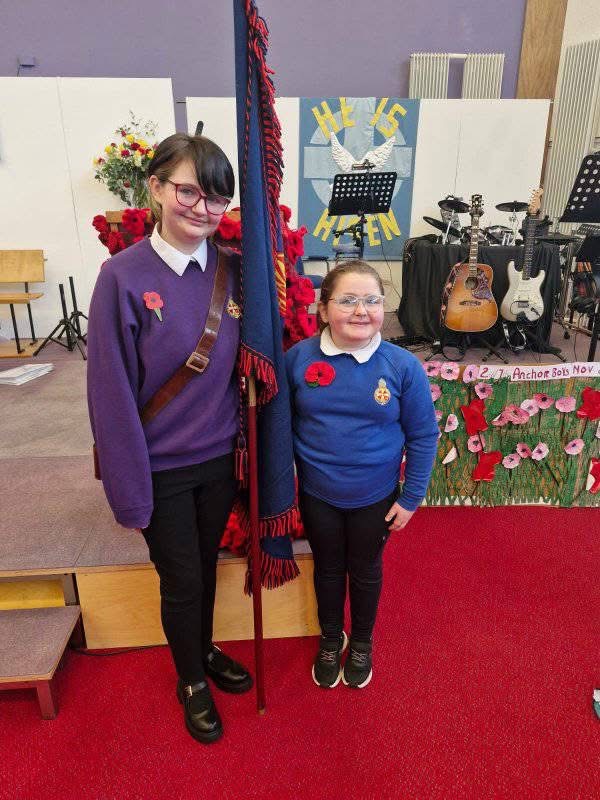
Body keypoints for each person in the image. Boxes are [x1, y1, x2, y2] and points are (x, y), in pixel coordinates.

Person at [87, 133, 252, 744]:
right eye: (188, 190)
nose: (202, 207)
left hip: (218, 457)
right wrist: (129, 492)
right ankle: (191, 681)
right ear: (155, 187)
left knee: (204, 569)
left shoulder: (233, 270)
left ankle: (201, 649)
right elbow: (109, 394)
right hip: (160, 465)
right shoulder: (122, 278)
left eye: (215, 197)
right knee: (181, 579)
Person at [285, 260, 439, 689]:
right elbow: (280, 431)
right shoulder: (297, 359)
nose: (360, 310)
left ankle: (364, 642)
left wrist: (411, 498)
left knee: (366, 569)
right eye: (347, 300)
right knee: (329, 569)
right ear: (322, 308)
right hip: (319, 495)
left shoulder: (402, 366)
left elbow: (423, 435)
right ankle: (331, 639)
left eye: (372, 300)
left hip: (376, 496)